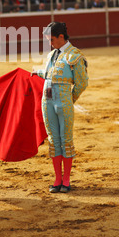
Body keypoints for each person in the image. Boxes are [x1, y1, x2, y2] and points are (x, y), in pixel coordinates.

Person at [32, 22, 88, 193]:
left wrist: (70, 99)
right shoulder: (51, 55)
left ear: (61, 37)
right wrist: (36, 72)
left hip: (63, 103)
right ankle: (57, 179)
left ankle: (66, 179)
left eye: (52, 39)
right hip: (47, 101)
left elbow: (82, 83)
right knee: (53, 140)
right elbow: (48, 74)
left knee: (66, 140)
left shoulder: (75, 55)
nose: (50, 43)